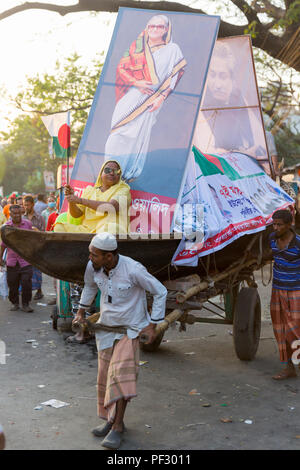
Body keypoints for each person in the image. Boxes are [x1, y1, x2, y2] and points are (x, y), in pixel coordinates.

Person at [73, 232, 167, 449]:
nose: (90, 258)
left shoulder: (133, 269)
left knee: (120, 378)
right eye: (90, 253)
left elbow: (160, 291)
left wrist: (152, 325)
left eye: (94, 255)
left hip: (130, 329)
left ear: (109, 256)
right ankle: (111, 420)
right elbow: (89, 287)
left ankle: (118, 427)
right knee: (105, 378)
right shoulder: (93, 268)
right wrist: (81, 312)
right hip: (106, 328)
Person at [104, 15, 186, 182]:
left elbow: (175, 75)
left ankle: (127, 174)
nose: (155, 29)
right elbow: (121, 68)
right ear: (147, 28)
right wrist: (137, 82)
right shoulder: (137, 48)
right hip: (131, 95)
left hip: (152, 98)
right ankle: (107, 172)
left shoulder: (172, 49)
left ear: (166, 30)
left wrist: (162, 97)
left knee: (138, 136)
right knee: (117, 134)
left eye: (159, 27)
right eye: (151, 26)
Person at [54, 160, 131, 234]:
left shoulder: (123, 189)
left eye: (116, 171)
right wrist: (72, 201)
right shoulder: (89, 190)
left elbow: (111, 207)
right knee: (59, 226)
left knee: (112, 229)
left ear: (119, 175)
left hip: (108, 229)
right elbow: (76, 214)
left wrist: (80, 200)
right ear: (101, 174)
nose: (111, 173)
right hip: (87, 230)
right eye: (107, 170)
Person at [268, 209, 300, 380]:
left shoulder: (298, 243)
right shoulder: (271, 239)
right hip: (277, 291)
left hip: (296, 292)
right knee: (281, 331)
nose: (276, 227)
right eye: (274, 224)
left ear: (289, 225)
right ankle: (289, 368)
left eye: (279, 224)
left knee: (295, 331)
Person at [0, 205, 34, 312]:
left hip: (26, 260)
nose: (17, 215)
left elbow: (33, 240)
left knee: (26, 283)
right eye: (14, 213)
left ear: (21, 213)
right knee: (12, 283)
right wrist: (0, 258)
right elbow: (3, 244)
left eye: (19, 213)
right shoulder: (6, 227)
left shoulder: (27, 224)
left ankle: (25, 304)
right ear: (10, 214)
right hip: (12, 261)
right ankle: (15, 303)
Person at [23, 195, 45, 300]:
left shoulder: (39, 217)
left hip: (37, 248)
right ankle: (26, 291)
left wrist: (37, 231)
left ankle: (39, 291)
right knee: (26, 270)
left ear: (33, 204)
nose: (26, 207)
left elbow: (44, 235)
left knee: (37, 270)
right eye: (24, 205)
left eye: (27, 205)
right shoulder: (22, 217)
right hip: (25, 248)